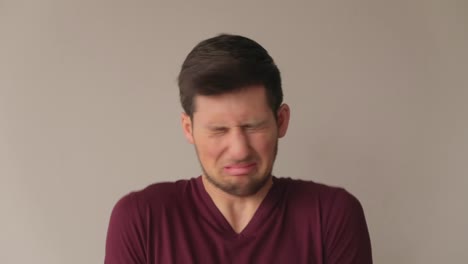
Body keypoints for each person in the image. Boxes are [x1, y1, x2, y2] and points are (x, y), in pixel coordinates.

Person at [104, 34, 372, 264]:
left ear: (281, 121)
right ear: (189, 129)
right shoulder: (142, 219)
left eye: (253, 126)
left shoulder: (331, 216)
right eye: (218, 130)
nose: (239, 150)